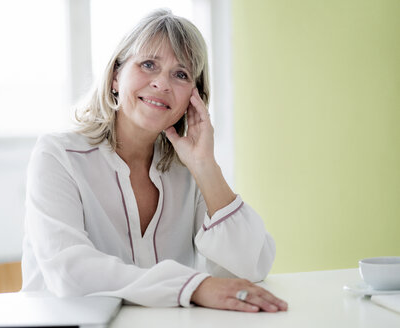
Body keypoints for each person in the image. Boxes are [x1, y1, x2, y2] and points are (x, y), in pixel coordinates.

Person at [21, 8, 288, 312]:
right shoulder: (58, 156)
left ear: (194, 97)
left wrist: (206, 168)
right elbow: (68, 271)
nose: (162, 84)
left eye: (181, 74)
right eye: (148, 64)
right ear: (115, 77)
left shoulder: (189, 169)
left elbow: (251, 266)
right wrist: (193, 287)